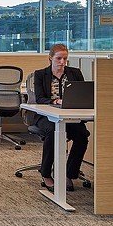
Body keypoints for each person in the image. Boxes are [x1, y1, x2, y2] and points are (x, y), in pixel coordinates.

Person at [32, 43, 89, 191]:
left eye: (65, 59)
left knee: (82, 136)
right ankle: (45, 174)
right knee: (53, 132)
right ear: (50, 58)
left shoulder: (75, 73)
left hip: (69, 115)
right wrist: (55, 101)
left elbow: (81, 95)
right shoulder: (40, 74)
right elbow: (39, 98)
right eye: (58, 58)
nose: (62, 62)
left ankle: (69, 174)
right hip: (47, 115)